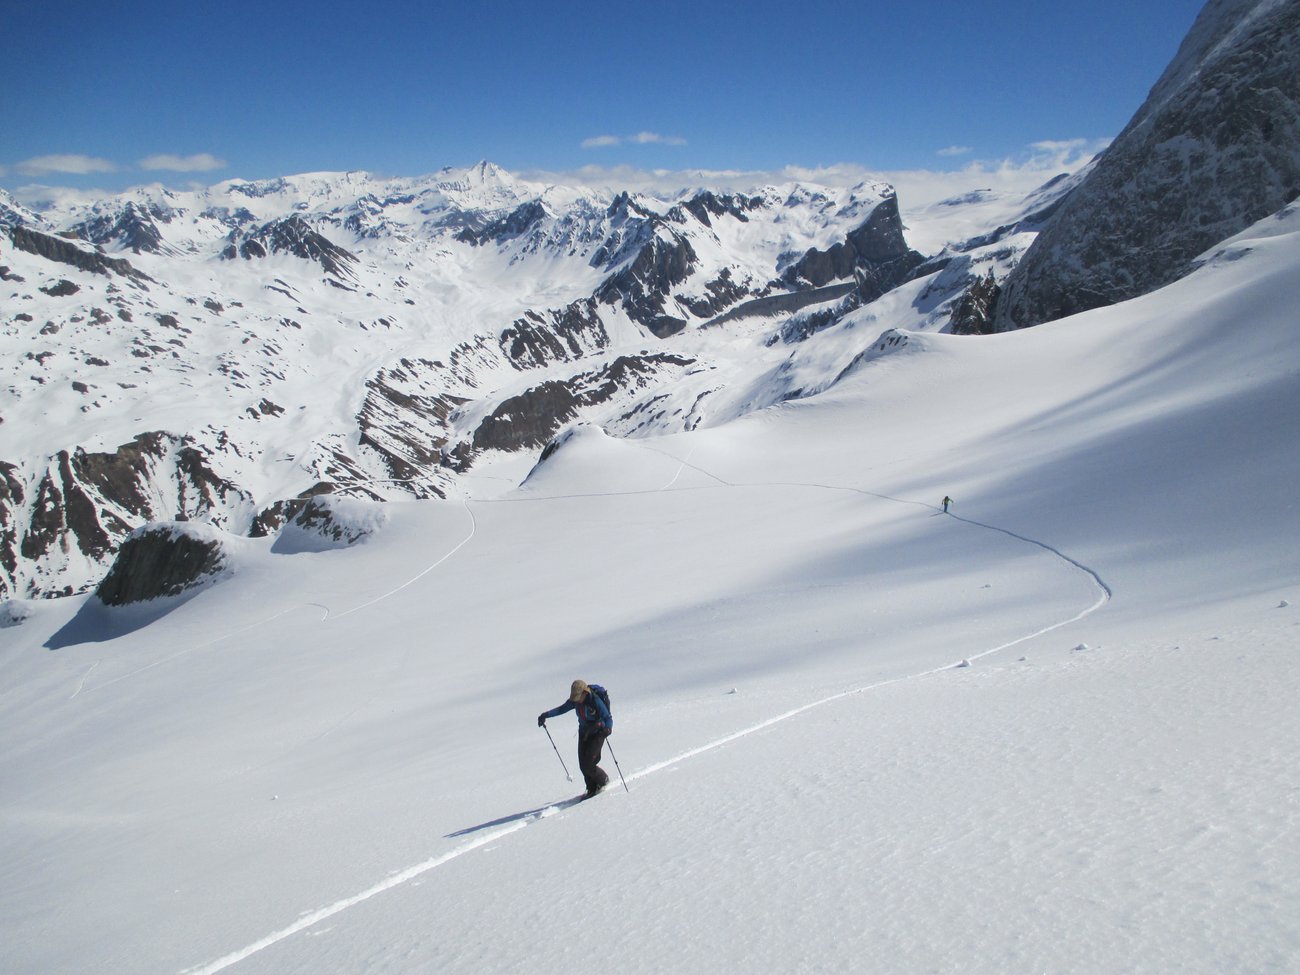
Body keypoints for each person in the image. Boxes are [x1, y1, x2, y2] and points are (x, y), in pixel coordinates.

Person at [538, 679, 612, 796]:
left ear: (584, 692)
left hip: (598, 733)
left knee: (589, 764)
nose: (576, 700)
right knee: (582, 765)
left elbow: (608, 718)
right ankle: (591, 788)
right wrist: (545, 715)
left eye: (578, 696)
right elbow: (561, 709)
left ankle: (603, 780)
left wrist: (608, 729)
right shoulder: (576, 701)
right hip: (583, 732)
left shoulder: (595, 701)